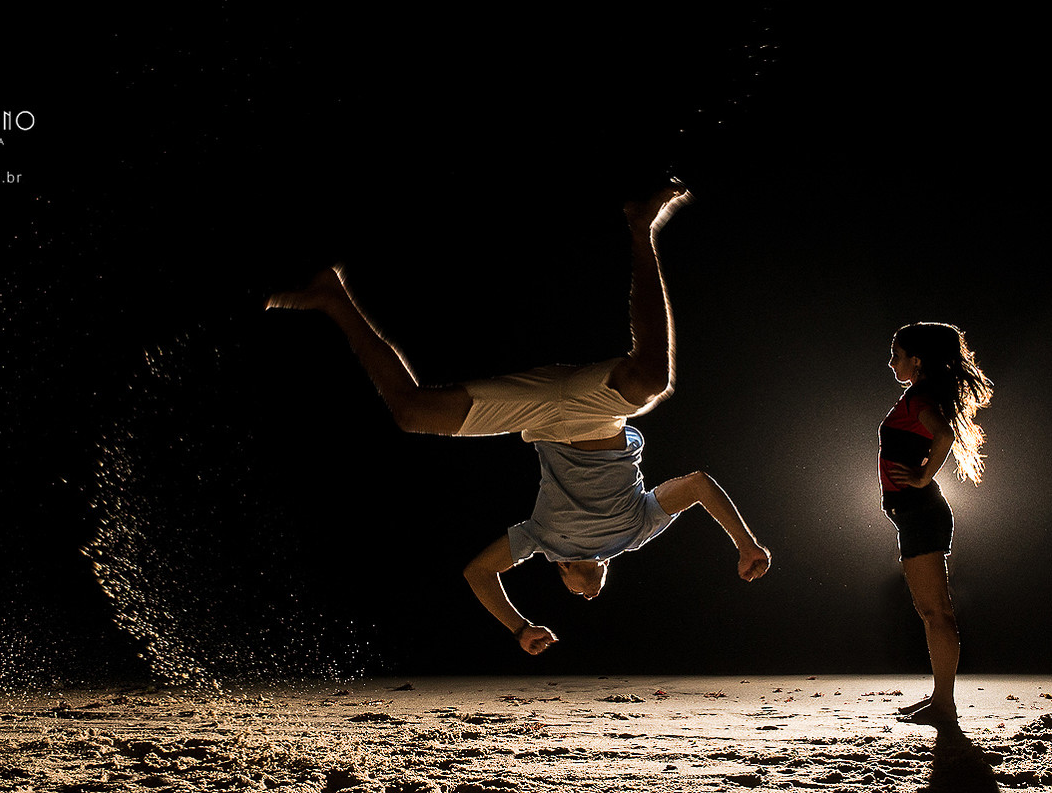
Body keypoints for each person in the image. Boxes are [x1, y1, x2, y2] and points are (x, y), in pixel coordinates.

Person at [265, 181, 771, 656]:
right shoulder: (639, 531)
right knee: (652, 381)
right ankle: (641, 226)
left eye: (574, 592)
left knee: (412, 413)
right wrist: (746, 545)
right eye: (587, 593)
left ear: (562, 570)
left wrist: (519, 627)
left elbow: (478, 574)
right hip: (597, 418)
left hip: (539, 419)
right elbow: (700, 486)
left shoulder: (541, 540)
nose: (586, 595)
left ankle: (332, 297)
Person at [880, 322, 993, 726]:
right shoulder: (916, 397)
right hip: (914, 515)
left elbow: (942, 436)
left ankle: (944, 703)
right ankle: (940, 699)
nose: (891, 362)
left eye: (897, 355)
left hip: (920, 513)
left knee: (936, 612)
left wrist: (924, 476)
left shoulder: (919, 398)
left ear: (917, 360)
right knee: (932, 612)